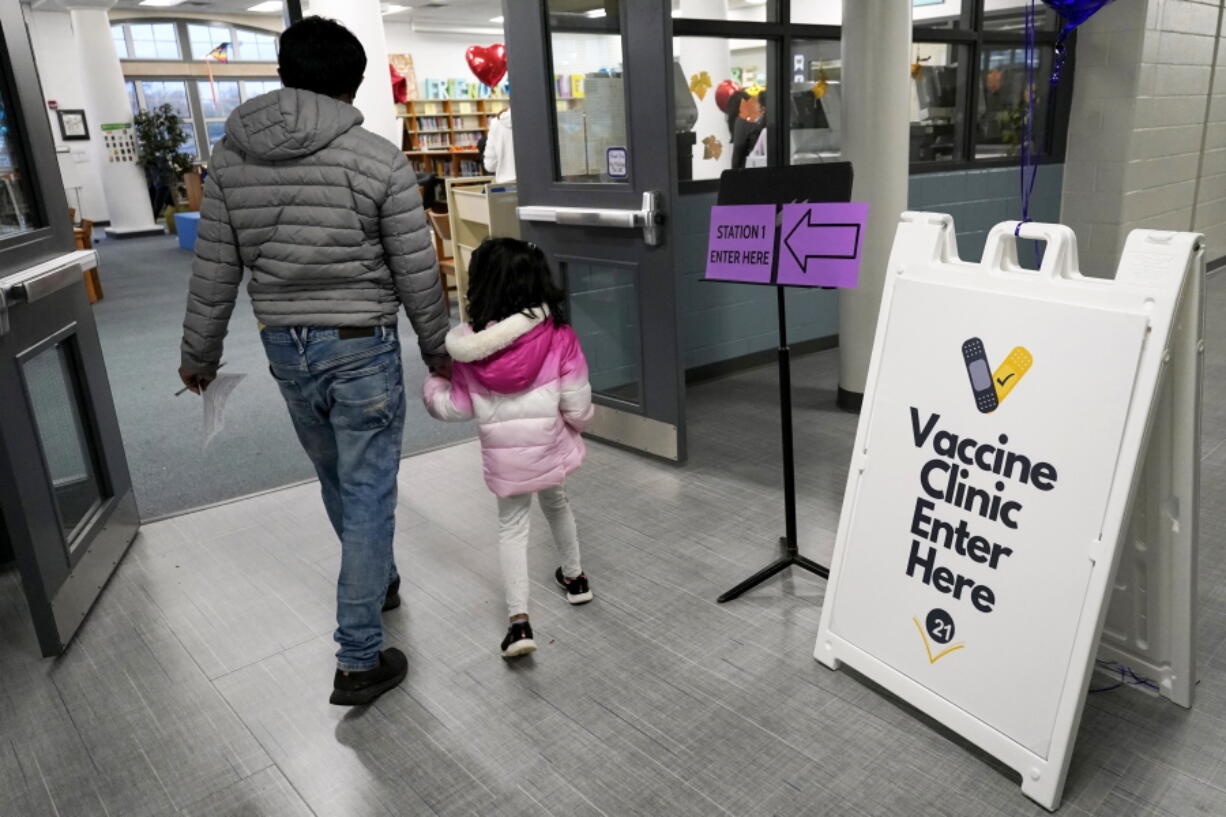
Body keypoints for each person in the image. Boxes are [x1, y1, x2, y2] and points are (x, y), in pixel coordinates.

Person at [177, 16, 450, 706]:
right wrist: (439, 347)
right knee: (366, 488)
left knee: (336, 476)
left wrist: (198, 355)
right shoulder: (378, 157)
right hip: (361, 343)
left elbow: (214, 268)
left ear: (284, 74)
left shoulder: (230, 160)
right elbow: (417, 268)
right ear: (353, 83)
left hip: (285, 345)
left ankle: (378, 577)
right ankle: (359, 656)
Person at [422, 238, 594, 658]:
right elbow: (578, 406)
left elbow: (456, 407)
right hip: (548, 447)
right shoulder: (559, 337)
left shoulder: (470, 351)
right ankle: (575, 580)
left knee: (512, 530)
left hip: (507, 461)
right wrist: (574, 426)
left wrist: (434, 386)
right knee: (558, 504)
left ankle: (519, 624)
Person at [483, 107, 516, 183]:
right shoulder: (539, 118)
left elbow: (490, 165)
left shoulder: (496, 123)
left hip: (505, 185)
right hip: (536, 185)